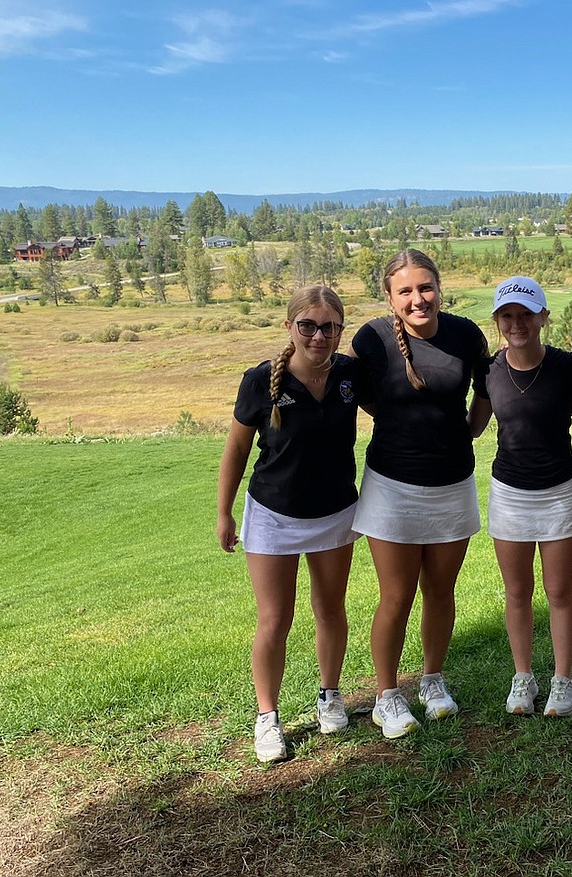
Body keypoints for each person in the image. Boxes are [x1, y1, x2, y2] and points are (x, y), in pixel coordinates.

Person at [217, 285, 360, 763]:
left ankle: (330, 696)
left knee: (330, 609)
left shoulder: (349, 375)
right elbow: (236, 450)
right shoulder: (261, 382)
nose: (319, 335)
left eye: (329, 327)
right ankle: (267, 718)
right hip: (273, 515)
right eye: (308, 326)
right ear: (290, 328)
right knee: (275, 620)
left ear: (341, 330)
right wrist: (223, 511)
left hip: (336, 512)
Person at [351, 248, 490, 739]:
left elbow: (486, 383)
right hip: (392, 487)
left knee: (440, 590)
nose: (418, 298)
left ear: (439, 288)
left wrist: (473, 425)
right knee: (396, 595)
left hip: (453, 485)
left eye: (425, 287)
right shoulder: (370, 340)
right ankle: (387, 696)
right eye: (405, 290)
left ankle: (432, 681)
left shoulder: (465, 334)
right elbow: (356, 391)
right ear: (389, 297)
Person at [469, 276, 572, 717]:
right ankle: (523, 678)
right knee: (517, 591)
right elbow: (474, 426)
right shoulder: (489, 371)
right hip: (509, 492)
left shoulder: (566, 366)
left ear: (542, 317)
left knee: (559, 590)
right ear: (497, 320)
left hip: (559, 490)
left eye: (525, 314)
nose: (516, 323)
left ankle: (562, 681)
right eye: (507, 316)